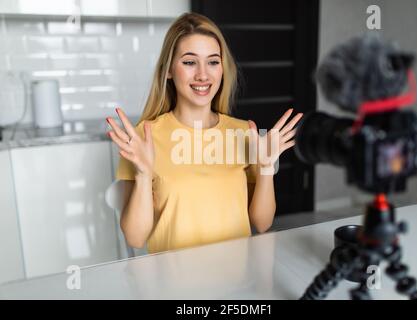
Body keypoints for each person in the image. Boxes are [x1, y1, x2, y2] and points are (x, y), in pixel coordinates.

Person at [106, 12, 302, 254]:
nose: (203, 74)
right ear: (168, 70)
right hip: (173, 285)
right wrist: (144, 175)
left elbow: (262, 223)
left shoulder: (244, 133)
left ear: (222, 69)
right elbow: (136, 238)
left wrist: (265, 169)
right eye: (189, 62)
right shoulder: (142, 138)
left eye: (213, 62)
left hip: (236, 281)